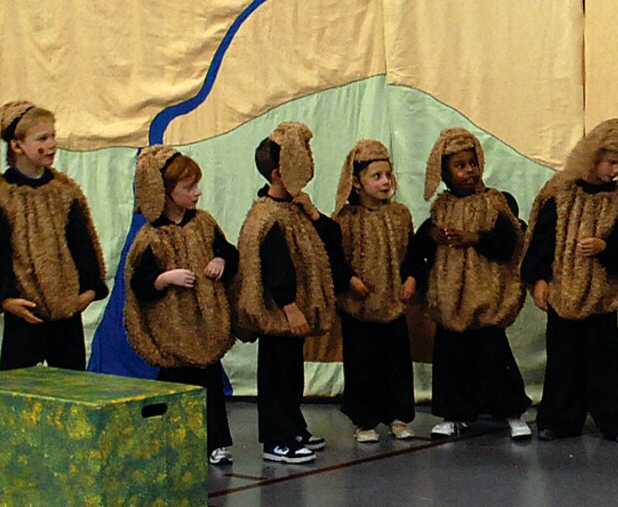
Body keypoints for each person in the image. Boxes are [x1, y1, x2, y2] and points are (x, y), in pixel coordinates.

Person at [232, 121, 352, 464]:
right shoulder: (267, 216)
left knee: (291, 373)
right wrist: (289, 307)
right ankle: (276, 439)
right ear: (278, 172)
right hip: (279, 314)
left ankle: (294, 426)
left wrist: (313, 214)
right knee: (276, 375)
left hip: (292, 313)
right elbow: (274, 268)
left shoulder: (294, 209)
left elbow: (331, 238)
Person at [524, 119, 618, 443]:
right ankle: (558, 420)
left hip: (600, 297)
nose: (615, 171)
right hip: (562, 292)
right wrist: (539, 279)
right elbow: (542, 239)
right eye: (611, 162)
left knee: (606, 359)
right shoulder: (559, 191)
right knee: (562, 360)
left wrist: (604, 247)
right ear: (593, 156)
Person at [0, 100, 106, 372]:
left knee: (71, 383)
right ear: (17, 146)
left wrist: (88, 291)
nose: (51, 144)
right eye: (42, 138)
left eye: (53, 136)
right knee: (19, 383)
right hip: (25, 315)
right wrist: (6, 299)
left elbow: (83, 243)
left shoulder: (65, 191)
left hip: (66, 313)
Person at [409, 128, 532, 440]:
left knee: (494, 356)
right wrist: (432, 235)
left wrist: (474, 238)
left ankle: (512, 412)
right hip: (451, 301)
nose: (469, 171)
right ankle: (455, 414)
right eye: (460, 166)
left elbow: (508, 243)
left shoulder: (496, 202)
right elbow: (421, 244)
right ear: (444, 173)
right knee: (452, 359)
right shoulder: (441, 208)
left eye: (472, 163)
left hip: (486, 298)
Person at [122, 145, 238, 467]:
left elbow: (230, 252)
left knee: (210, 384)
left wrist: (220, 259)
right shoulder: (151, 237)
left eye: (196, 185)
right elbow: (139, 284)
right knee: (174, 386)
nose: (197, 192)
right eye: (188, 187)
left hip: (204, 328)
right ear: (165, 191)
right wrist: (164, 278)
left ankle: (216, 442)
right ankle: (172, 441)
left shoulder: (204, 224)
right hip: (172, 331)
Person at [332, 140, 418, 444]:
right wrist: (349, 279)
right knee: (362, 365)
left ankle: (398, 416)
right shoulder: (345, 219)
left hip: (393, 304)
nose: (384, 182)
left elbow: (411, 253)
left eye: (388, 175)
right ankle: (364, 420)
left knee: (396, 363)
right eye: (376, 176)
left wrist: (411, 278)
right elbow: (336, 258)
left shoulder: (400, 215)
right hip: (359, 307)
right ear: (357, 182)